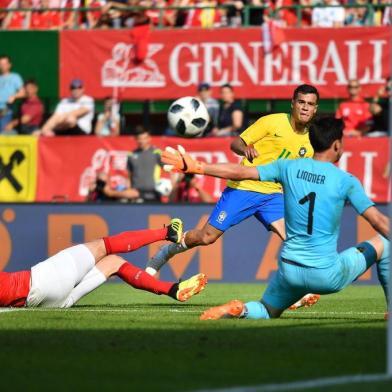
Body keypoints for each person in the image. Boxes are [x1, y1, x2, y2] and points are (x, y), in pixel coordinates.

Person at [161, 117, 389, 320]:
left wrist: (197, 166)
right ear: (337, 145)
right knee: (386, 244)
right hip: (326, 275)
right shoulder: (345, 180)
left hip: (289, 270)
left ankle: (241, 310)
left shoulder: (288, 167)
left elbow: (239, 172)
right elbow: (378, 221)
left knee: (268, 310)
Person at [147, 84, 321, 309]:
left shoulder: (311, 141)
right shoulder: (272, 122)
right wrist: (245, 149)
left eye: (310, 104)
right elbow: (236, 142)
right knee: (206, 237)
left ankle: (299, 288)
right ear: (293, 103)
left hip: (273, 195)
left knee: (293, 239)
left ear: (315, 109)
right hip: (243, 187)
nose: (305, 108)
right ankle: (165, 252)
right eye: (301, 102)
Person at [0, 218, 207, 308]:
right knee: (102, 246)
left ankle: (173, 289)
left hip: (45, 303)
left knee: (113, 263)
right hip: (39, 283)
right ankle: (167, 232)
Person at [127, 127, 162, 202]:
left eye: (144, 138)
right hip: (136, 194)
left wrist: (172, 186)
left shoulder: (156, 152)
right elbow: (129, 175)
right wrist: (129, 191)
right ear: (136, 139)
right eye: (139, 138)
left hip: (153, 194)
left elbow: (170, 169)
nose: (142, 141)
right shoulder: (131, 155)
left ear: (149, 138)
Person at [0, 54, 25, 134]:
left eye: (5, 64)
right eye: (1, 64)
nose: (2, 66)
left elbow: (23, 93)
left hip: (6, 110)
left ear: (9, 65)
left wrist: (14, 96)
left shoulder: (15, 77)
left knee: (4, 132)